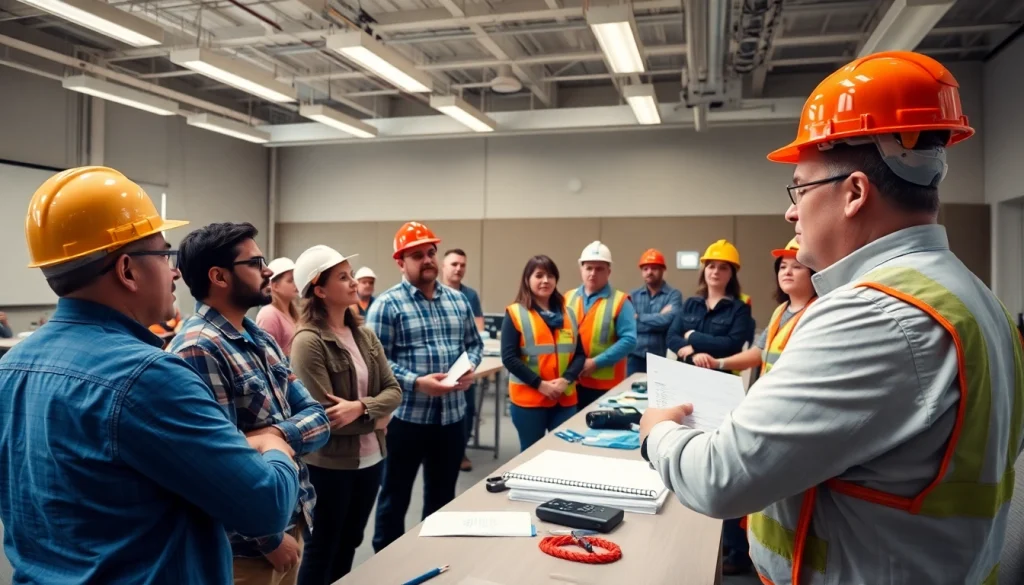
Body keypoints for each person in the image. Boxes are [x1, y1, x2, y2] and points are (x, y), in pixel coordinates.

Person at [639, 51, 1024, 585]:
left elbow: (719, 480)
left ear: (855, 192)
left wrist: (655, 433)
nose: (791, 211)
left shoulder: (875, 313)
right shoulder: (977, 300)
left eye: (799, 187)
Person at [0, 166, 300, 584]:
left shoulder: (9, 369)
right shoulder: (148, 378)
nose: (175, 271)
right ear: (127, 270)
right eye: (165, 255)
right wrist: (274, 444)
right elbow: (265, 506)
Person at [168, 222, 331, 585]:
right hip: (247, 547)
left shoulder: (258, 337)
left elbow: (318, 419)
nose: (269, 270)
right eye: (256, 263)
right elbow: (217, 468)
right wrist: (269, 539)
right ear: (219, 276)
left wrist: (270, 436)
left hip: (290, 516)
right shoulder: (199, 348)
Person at [367, 221, 483, 553]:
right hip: (406, 420)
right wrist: (416, 383)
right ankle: (387, 564)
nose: (428, 259)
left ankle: (433, 558)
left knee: (443, 496)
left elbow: (473, 345)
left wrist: (469, 365)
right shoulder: (387, 306)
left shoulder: (458, 301)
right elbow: (376, 364)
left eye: (431, 252)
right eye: (418, 255)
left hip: (451, 419)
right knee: (394, 498)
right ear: (400, 262)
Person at [289, 245, 402, 585]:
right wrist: (378, 416)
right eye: (343, 277)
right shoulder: (308, 342)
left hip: (371, 461)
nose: (354, 283)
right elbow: (324, 420)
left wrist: (360, 407)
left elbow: (394, 390)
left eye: (351, 275)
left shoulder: (364, 334)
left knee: (350, 543)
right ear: (319, 290)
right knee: (322, 548)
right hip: (329, 467)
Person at [691, 238, 816, 377]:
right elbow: (759, 352)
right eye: (783, 266)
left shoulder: (817, 312)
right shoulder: (780, 310)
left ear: (813, 273)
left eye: (796, 267)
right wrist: (717, 363)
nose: (787, 272)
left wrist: (692, 337)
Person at [501, 255, 586, 451]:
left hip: (564, 398)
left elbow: (580, 354)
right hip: (529, 401)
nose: (545, 281)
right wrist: (541, 385)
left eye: (550, 276)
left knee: (564, 453)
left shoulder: (569, 313)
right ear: (527, 280)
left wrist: (566, 379)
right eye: (539, 275)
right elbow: (509, 358)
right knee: (531, 455)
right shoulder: (515, 313)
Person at [564, 241, 637, 411]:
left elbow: (629, 340)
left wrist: (595, 363)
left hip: (604, 387)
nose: (593, 273)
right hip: (571, 382)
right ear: (581, 269)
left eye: (599, 269)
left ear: (609, 272)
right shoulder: (568, 297)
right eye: (589, 268)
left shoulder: (620, 301)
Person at [666, 239, 755, 370]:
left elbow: (732, 345)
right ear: (704, 271)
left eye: (723, 267)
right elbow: (671, 337)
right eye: (711, 266)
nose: (715, 271)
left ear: (732, 274)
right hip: (685, 372)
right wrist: (694, 354)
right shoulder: (690, 304)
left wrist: (692, 336)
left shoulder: (740, 309)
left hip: (719, 377)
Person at [441, 248, 485, 472]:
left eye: (462, 265)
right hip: (437, 366)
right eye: (454, 264)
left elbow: (478, 329)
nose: (458, 268)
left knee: (467, 410)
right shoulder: (433, 294)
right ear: (444, 266)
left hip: (463, 365)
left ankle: (460, 451)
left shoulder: (470, 295)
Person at [628, 248, 682, 375]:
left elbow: (669, 321)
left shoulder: (674, 295)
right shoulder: (633, 295)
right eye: (645, 269)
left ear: (663, 270)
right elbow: (629, 324)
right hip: (634, 357)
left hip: (659, 357)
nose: (649, 272)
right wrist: (659, 317)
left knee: (657, 393)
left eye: (654, 268)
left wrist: (638, 317)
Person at [257, 257, 300, 355]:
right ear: (275, 286)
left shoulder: (293, 312)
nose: (296, 284)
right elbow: (267, 355)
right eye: (290, 280)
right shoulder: (269, 314)